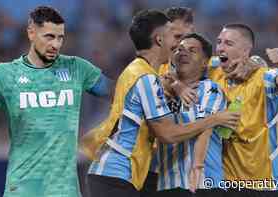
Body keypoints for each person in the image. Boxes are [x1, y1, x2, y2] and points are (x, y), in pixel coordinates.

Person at [0, 6, 112, 197]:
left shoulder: (76, 69)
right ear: (31, 33)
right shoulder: (5, 74)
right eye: (49, 37)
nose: (56, 44)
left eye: (60, 37)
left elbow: (118, 93)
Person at [81, 9, 240, 197]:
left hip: (119, 174)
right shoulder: (146, 78)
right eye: (174, 38)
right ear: (159, 40)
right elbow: (167, 134)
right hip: (116, 173)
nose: (177, 46)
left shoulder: (137, 71)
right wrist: (213, 120)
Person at [211, 23, 278, 197]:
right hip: (231, 183)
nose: (221, 47)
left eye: (229, 44)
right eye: (219, 42)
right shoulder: (213, 71)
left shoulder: (265, 77)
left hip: (268, 183)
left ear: (245, 51)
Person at [155, 33, 227, 197]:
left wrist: (177, 85)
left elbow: (201, 126)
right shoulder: (159, 89)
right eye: (179, 49)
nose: (183, 53)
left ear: (204, 63)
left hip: (204, 184)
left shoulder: (210, 90)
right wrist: (172, 86)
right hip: (167, 183)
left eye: (192, 50)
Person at [141, 7, 195, 197]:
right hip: (148, 169)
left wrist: (255, 60)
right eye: (177, 36)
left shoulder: (204, 66)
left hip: (184, 174)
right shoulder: (150, 68)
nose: (183, 45)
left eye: (188, 38)